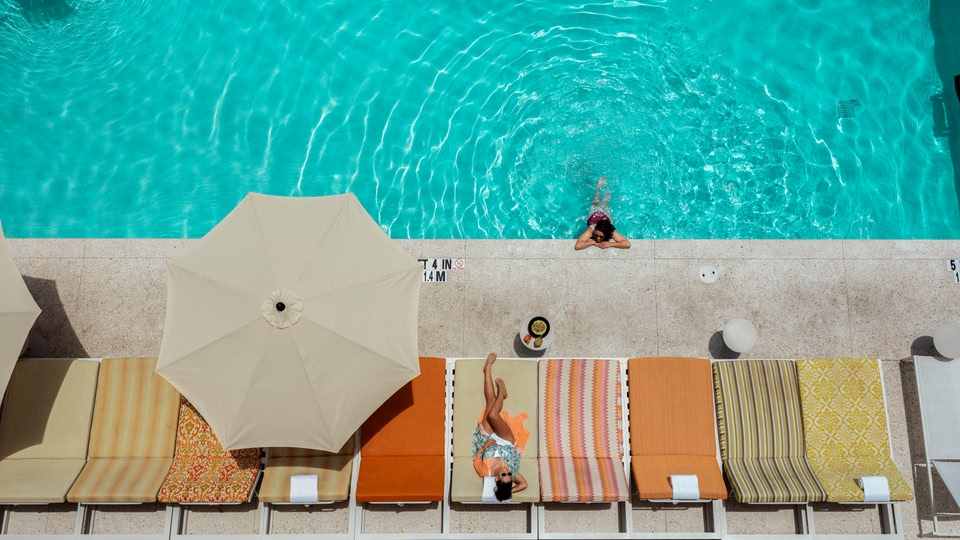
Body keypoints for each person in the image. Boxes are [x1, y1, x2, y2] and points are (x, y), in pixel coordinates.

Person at [473, 353, 527, 502]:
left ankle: (488, 370)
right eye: (509, 475)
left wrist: (484, 447)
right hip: (505, 440)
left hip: (487, 440)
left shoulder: (485, 471)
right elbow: (524, 484)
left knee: (490, 402)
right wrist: (509, 491)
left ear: (496, 480)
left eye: (504, 475)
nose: (506, 472)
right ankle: (501, 395)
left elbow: (476, 460)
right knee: (493, 416)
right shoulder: (512, 473)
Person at [575, 176, 631, 250]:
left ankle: (607, 186)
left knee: (605, 203)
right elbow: (578, 246)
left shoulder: (610, 231)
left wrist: (611, 244)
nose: (598, 239)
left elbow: (627, 244)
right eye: (596, 235)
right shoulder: (591, 230)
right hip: (594, 216)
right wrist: (592, 242)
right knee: (595, 203)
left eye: (601, 237)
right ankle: (598, 188)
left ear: (607, 234)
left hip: (605, 217)